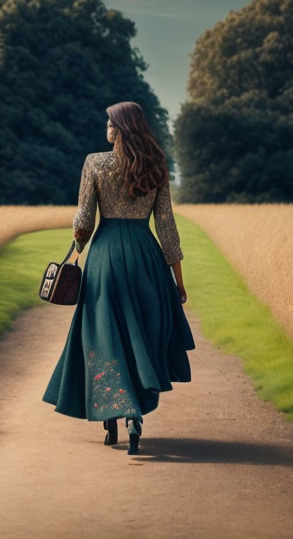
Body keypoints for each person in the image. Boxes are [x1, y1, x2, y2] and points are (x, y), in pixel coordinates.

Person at [41, 101, 195, 455]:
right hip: (145, 257)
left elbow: (83, 220)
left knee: (105, 334)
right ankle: (134, 416)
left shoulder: (95, 163)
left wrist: (76, 252)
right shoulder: (157, 166)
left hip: (106, 258)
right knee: (140, 333)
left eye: (109, 122)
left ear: (121, 128)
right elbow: (167, 225)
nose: (105, 128)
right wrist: (178, 278)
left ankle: (114, 414)